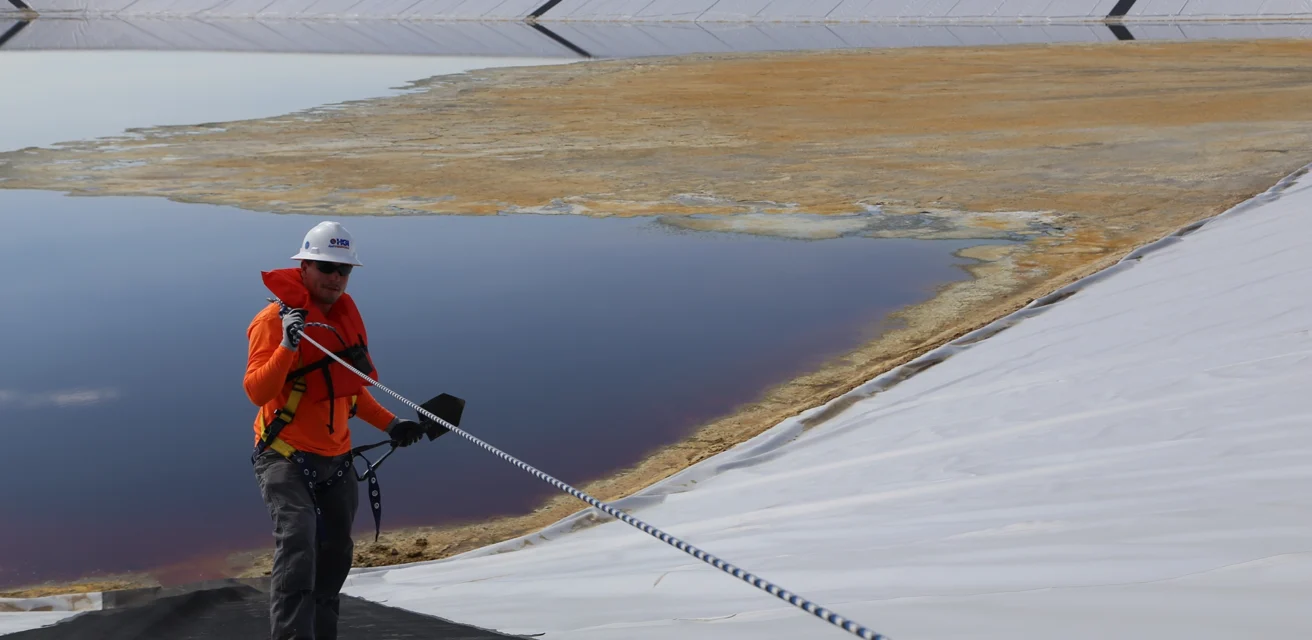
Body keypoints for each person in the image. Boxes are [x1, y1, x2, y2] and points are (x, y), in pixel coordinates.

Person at [244, 221, 426, 640]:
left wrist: (393, 424)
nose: (336, 278)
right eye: (326, 268)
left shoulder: (339, 322)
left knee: (336, 555)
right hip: (285, 456)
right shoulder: (272, 322)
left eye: (344, 271)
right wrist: (288, 347)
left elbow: (349, 394)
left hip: (336, 461)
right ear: (305, 266)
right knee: (298, 544)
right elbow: (256, 390)